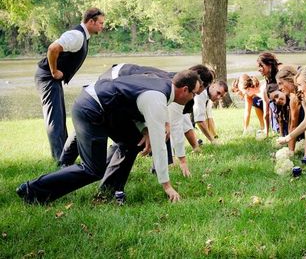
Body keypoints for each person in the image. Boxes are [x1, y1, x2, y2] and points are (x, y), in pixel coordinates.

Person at [16, 70, 201, 204]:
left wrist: (144, 129)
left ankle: (109, 191)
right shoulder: (157, 98)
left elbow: (129, 101)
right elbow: (160, 145)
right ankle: (32, 190)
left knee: (132, 142)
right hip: (91, 108)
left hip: (107, 109)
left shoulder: (162, 89)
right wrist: (166, 185)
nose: (193, 98)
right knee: (92, 169)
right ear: (184, 90)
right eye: (194, 93)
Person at [35, 8, 105, 163]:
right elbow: (53, 48)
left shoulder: (83, 36)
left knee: (59, 117)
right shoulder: (77, 35)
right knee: (55, 119)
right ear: (91, 21)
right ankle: (61, 160)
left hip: (52, 79)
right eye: (100, 23)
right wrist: (54, 71)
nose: (102, 26)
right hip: (47, 77)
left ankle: (65, 157)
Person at [257, 52, 281, 136]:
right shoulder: (280, 79)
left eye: (261, 66)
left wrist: (266, 132)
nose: (259, 69)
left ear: (269, 65)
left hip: (278, 127)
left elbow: (266, 114)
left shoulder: (272, 85)